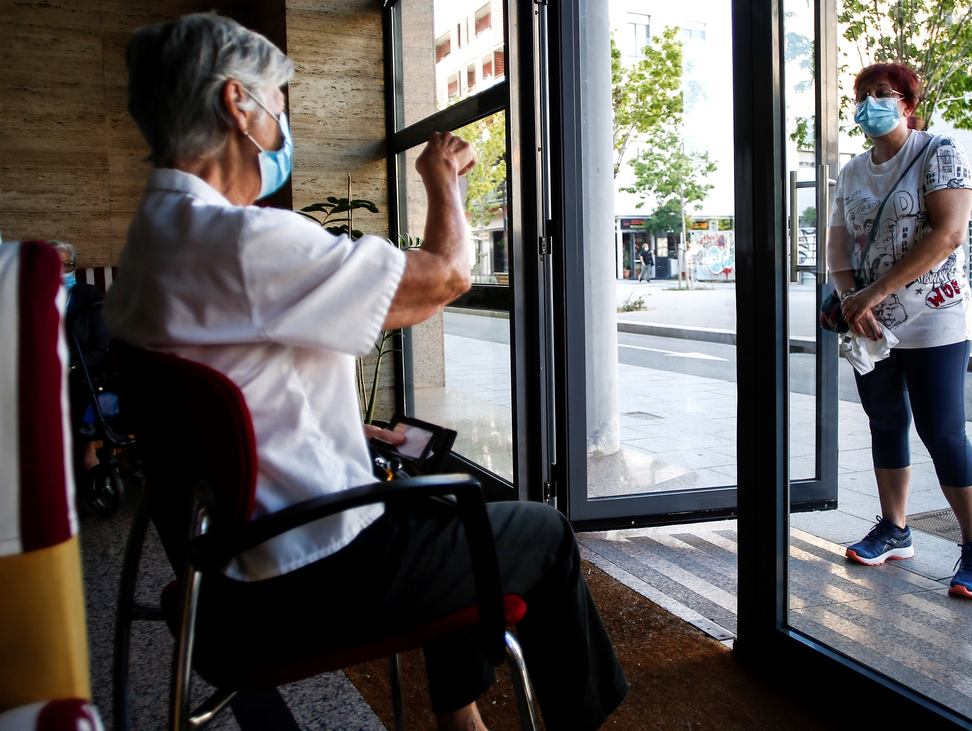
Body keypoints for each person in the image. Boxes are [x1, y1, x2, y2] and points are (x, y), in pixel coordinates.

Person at [103, 14, 627, 730]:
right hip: (309, 576)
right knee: (546, 533)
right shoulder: (243, 241)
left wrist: (347, 432)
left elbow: (239, 395)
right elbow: (446, 276)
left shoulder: (149, 241)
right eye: (278, 104)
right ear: (237, 104)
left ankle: (462, 724)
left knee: (437, 509)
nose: (283, 125)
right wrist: (442, 181)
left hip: (222, 569)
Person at [829, 62, 972, 600]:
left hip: (934, 316)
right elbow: (838, 247)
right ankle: (895, 529)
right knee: (885, 421)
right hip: (869, 322)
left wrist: (871, 294)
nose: (869, 102)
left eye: (883, 93)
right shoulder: (852, 171)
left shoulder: (939, 151)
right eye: (862, 94)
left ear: (907, 103)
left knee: (942, 429)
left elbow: (948, 235)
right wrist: (853, 299)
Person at [52, 240, 113, 472]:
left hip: (85, 364)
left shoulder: (89, 294)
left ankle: (89, 450)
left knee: (93, 383)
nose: (62, 270)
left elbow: (100, 345)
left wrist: (73, 366)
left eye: (67, 264)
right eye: (54, 264)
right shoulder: (31, 297)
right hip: (46, 366)